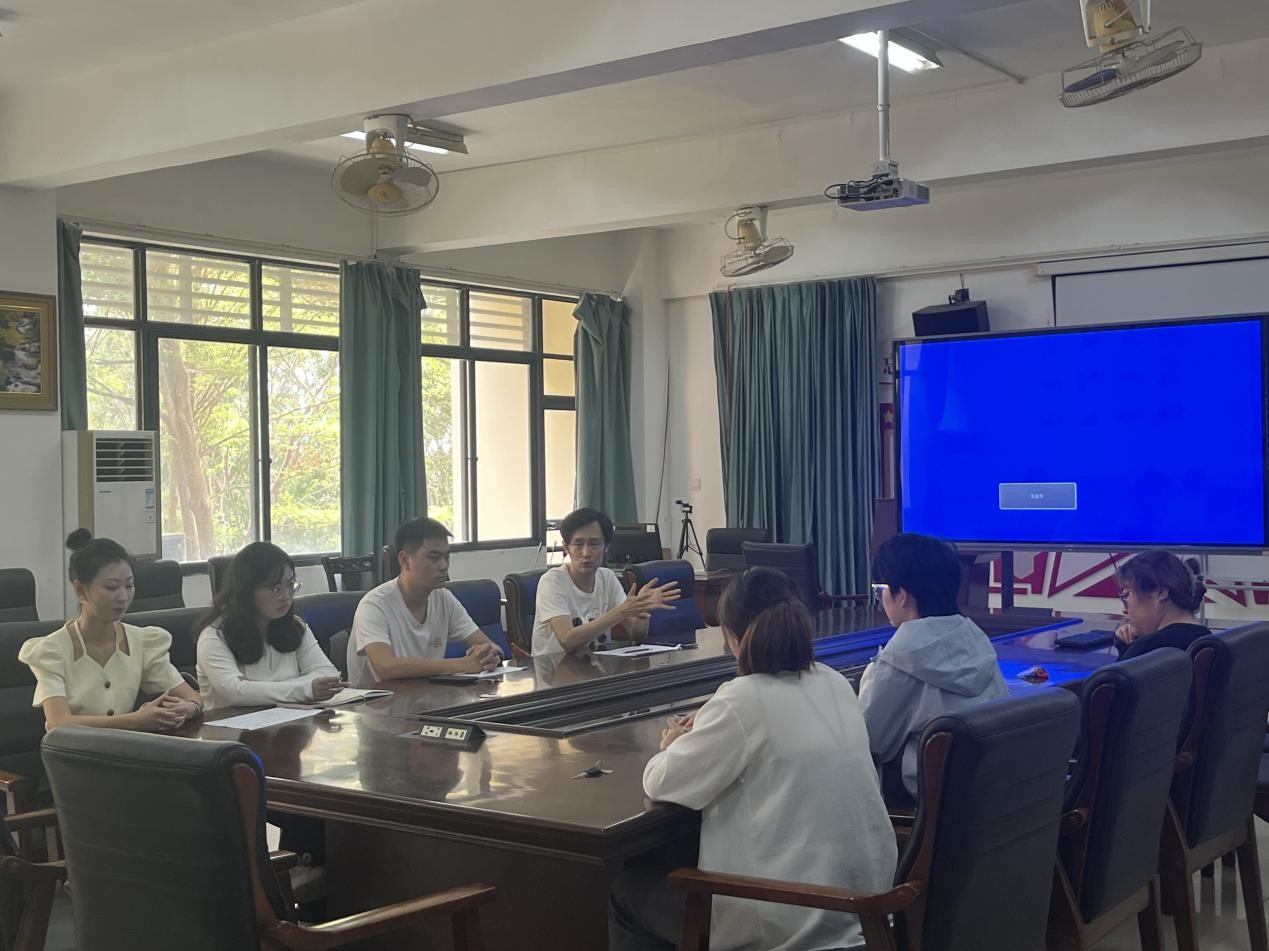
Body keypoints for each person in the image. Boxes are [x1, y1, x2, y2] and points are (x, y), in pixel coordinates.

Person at [609, 567, 896, 951]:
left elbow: (660, 782)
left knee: (628, 889)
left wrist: (675, 743)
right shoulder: (834, 682)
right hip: (867, 917)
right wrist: (716, 715)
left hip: (791, 924)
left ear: (731, 637)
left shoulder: (740, 701)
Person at [858, 532, 1008, 801]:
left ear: (902, 595)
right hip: (989, 790)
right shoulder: (977, 640)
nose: (881, 599)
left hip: (925, 798)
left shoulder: (898, 660)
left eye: (881, 589)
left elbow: (868, 743)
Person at [19, 529, 203, 731]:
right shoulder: (51, 651)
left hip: (127, 747)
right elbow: (58, 722)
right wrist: (135, 720)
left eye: (129, 586)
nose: (123, 597)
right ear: (80, 590)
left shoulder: (142, 642)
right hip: (72, 749)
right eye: (111, 587)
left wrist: (189, 707)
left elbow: (192, 696)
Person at [348, 517, 504, 686]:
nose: (443, 566)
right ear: (405, 560)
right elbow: (386, 667)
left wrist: (491, 655)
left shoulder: (444, 599)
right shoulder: (374, 605)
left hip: (428, 697)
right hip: (380, 701)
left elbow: (490, 646)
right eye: (434, 558)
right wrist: (462, 664)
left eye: (446, 557)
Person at [195, 541, 345, 712]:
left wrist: (256, 689)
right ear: (247, 592)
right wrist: (306, 688)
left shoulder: (295, 626)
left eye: (290, 585)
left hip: (292, 723)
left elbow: (329, 674)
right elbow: (235, 692)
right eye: (275, 588)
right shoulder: (214, 636)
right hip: (230, 725)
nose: (286, 596)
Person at [532, 507, 680, 656]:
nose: (586, 553)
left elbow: (637, 635)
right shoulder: (552, 582)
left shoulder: (607, 578)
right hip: (554, 668)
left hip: (597, 666)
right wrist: (621, 612)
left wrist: (642, 610)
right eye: (578, 544)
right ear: (566, 547)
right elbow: (567, 641)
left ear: (606, 547)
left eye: (594, 544)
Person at [1113, 551, 1210, 659]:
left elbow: (1117, 671)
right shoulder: (1208, 638)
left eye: (1126, 597)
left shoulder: (1147, 648)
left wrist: (1126, 649)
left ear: (1160, 593)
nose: (1124, 610)